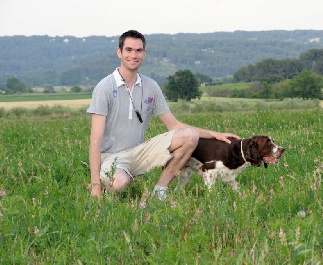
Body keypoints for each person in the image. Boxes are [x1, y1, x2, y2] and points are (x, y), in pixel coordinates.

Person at [87, 30, 239, 200]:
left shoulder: (151, 86)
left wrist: (214, 135)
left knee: (190, 136)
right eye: (129, 50)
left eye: (138, 50)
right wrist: (95, 186)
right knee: (118, 184)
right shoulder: (104, 88)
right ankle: (113, 183)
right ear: (119, 52)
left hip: (139, 152)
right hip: (111, 157)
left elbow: (173, 125)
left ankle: (160, 191)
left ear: (144, 53)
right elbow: (95, 141)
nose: (133, 55)